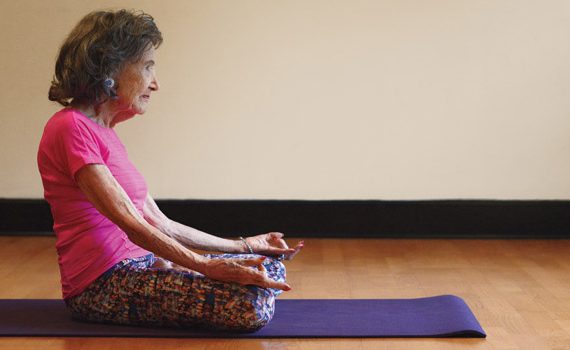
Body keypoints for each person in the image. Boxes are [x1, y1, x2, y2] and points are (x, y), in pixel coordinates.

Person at [37, 9, 303, 332]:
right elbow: (130, 223)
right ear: (110, 70)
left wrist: (245, 246)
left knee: (268, 267)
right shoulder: (69, 128)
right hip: (103, 285)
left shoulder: (104, 132)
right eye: (147, 67)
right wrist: (204, 266)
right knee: (248, 305)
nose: (156, 83)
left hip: (141, 267)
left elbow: (161, 223)